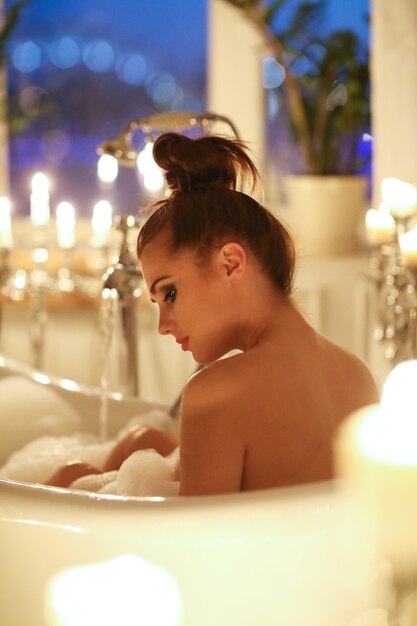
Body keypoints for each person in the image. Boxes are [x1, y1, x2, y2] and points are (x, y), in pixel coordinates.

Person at [47, 131, 379, 494]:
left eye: (169, 293)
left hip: (248, 551)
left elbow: (194, 545)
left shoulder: (216, 391)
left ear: (231, 263)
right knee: (144, 439)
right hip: (319, 547)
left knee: (69, 475)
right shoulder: (357, 375)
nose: (163, 326)